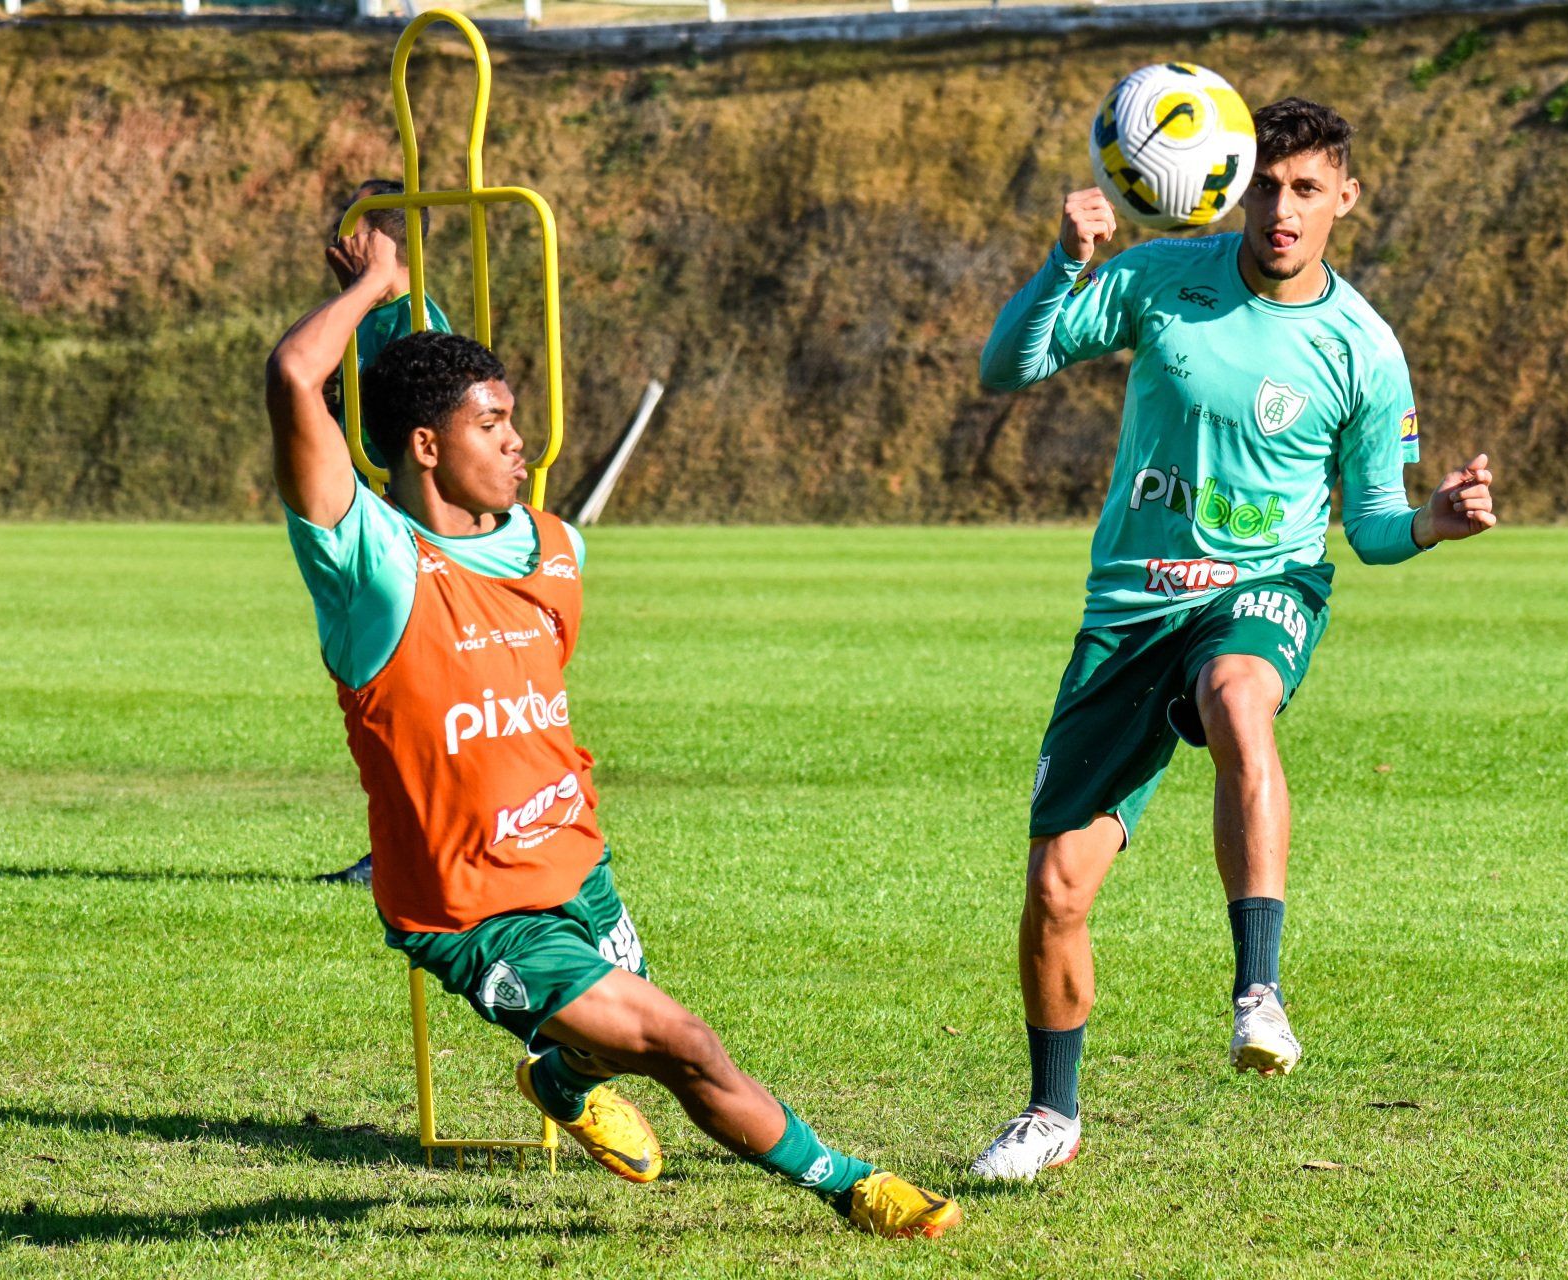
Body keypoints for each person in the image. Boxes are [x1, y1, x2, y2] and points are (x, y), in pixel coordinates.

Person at [264, 225, 963, 1239]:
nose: (518, 441)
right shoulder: (369, 564)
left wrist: (403, 315)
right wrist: (376, 285)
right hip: (475, 912)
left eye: (515, 418)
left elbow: (426, 390)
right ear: (426, 446)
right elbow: (295, 374)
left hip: (577, 859)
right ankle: (853, 1184)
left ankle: (558, 1080)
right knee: (683, 1042)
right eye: (492, 423)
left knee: (615, 1041)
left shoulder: (554, 549)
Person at [967, 98, 1499, 1181]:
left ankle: (1259, 985)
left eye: (1308, 189)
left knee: (1239, 691)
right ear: (1232, 185)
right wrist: (1062, 265)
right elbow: (1006, 367)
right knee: (1058, 890)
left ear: (1346, 198)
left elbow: (1373, 525)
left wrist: (1432, 523)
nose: (1283, 209)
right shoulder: (1163, 277)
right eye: (1266, 184)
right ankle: (1052, 1112)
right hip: (1129, 606)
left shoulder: (1364, 349)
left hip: (1263, 586)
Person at [316, 177, 453, 887]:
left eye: (362, 223)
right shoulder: (366, 311)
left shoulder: (415, 317)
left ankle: (418, 847)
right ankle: (398, 843)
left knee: (409, 693)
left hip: (402, 524)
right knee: (374, 698)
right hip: (364, 513)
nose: (342, 236)